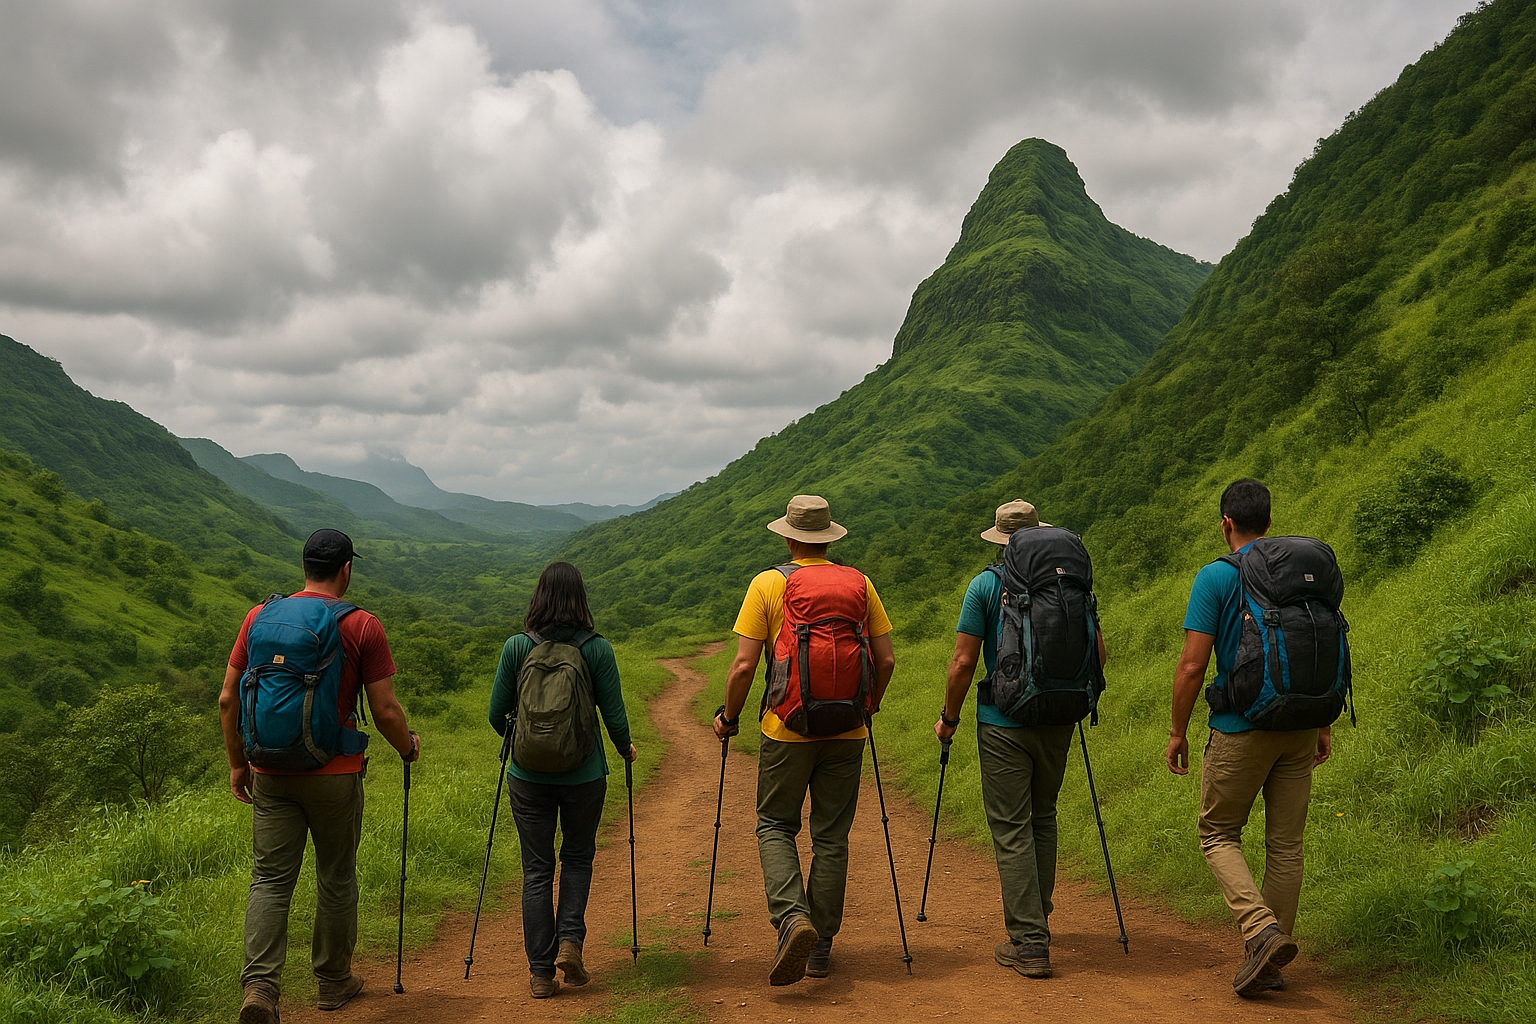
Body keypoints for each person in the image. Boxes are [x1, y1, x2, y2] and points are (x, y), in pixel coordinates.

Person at [219, 529, 419, 1024]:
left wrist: (238, 763)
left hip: (269, 769)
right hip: (336, 772)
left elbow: (227, 698)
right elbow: (386, 709)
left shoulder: (258, 616)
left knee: (269, 879)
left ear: (304, 565)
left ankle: (261, 989)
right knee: (335, 876)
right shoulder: (363, 625)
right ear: (347, 569)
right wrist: (408, 748)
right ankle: (333, 983)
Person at [714, 494, 896, 986]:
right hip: (849, 728)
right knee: (831, 837)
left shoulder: (769, 583)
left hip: (785, 728)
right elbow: (886, 661)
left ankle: (793, 919)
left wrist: (727, 717)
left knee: (775, 825)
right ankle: (822, 948)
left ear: (789, 536)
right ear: (829, 536)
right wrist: (868, 706)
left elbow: (745, 666)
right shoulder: (859, 582)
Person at [1165, 479, 1331, 998]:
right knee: (1286, 845)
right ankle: (1272, 962)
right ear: (1270, 522)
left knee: (1218, 833)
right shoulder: (1305, 572)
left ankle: (1261, 933)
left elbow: (1193, 667)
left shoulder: (1216, 576)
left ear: (1226, 524)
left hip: (1242, 727)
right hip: (1302, 724)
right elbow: (1317, 648)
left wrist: (1177, 730)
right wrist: (1322, 722)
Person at [934, 500, 1105, 980]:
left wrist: (949, 718)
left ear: (999, 539)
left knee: (1010, 827)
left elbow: (964, 662)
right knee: (1043, 816)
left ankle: (1030, 943)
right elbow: (1098, 650)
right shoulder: (1069, 583)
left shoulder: (986, 586)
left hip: (1003, 721)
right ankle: (1038, 913)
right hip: (1059, 716)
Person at [488, 561, 635, 999]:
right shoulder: (597, 649)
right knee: (577, 858)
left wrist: (528, 741)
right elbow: (614, 714)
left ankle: (539, 973)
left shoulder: (517, 646)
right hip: (584, 774)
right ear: (581, 598)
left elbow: (497, 715)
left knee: (536, 869)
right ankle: (570, 942)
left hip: (527, 777)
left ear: (538, 597)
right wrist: (625, 748)